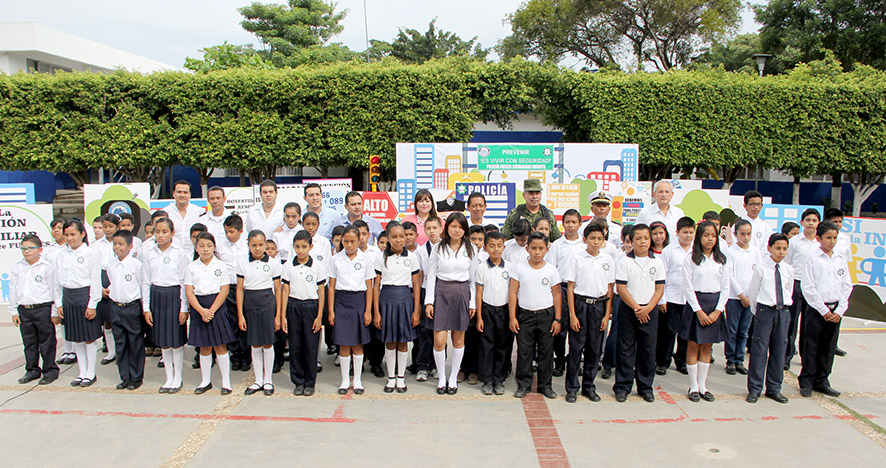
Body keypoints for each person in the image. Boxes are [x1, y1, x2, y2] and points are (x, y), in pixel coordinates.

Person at [425, 213, 477, 395]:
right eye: (453, 226)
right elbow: (431, 275)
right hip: (441, 292)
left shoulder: (471, 249)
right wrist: (429, 302)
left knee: (458, 339)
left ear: (465, 229)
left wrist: (472, 303)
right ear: (446, 228)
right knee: (439, 340)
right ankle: (441, 378)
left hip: (461, 293)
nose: (457, 230)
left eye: (460, 227)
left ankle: (453, 377)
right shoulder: (438, 248)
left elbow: (473, 279)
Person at [798, 221, 851, 398]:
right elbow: (808, 287)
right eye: (828, 238)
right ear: (819, 238)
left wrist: (839, 310)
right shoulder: (812, 259)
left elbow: (846, 286)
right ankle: (807, 380)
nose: (832, 242)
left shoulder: (840, 259)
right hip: (817, 309)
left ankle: (822, 380)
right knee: (812, 345)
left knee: (828, 347)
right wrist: (823, 310)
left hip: (835, 308)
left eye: (835, 238)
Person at [613, 224, 665, 402]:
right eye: (638, 238)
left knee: (648, 349)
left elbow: (659, 288)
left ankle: (645, 386)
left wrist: (648, 308)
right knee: (626, 348)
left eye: (646, 238)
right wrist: (636, 308)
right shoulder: (625, 261)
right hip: (630, 310)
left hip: (650, 310)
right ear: (631, 241)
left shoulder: (657, 262)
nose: (642, 241)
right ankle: (622, 386)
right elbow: (621, 288)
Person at [563, 223, 614, 403]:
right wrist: (572, 315)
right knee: (576, 349)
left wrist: (607, 315)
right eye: (592, 238)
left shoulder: (607, 260)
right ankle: (572, 388)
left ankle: (589, 387)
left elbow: (609, 289)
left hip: (599, 307)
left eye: (599, 239)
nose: (595, 242)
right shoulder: (576, 258)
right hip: (580, 305)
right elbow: (570, 288)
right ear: (584, 239)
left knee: (594, 349)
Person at [680, 220, 730, 402]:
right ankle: (693, 386)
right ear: (699, 237)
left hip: (714, 305)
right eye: (706, 235)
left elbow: (726, 288)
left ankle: (703, 386)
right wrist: (698, 311)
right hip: (696, 306)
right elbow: (688, 287)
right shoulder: (691, 258)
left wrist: (718, 311)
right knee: (693, 345)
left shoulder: (722, 260)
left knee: (707, 347)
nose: (710, 239)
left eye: (713, 235)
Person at [510, 232, 562, 399]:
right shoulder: (519, 268)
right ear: (527, 249)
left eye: (541, 248)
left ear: (547, 249)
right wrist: (512, 317)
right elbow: (512, 293)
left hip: (546, 316)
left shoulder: (551, 270)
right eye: (533, 248)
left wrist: (557, 319)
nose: (537, 252)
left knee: (546, 352)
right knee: (524, 352)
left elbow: (557, 295)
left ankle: (545, 385)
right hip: (525, 315)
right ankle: (523, 385)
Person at [141, 218, 190, 393]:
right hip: (157, 296)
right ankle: (168, 377)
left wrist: (184, 307)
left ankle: (178, 377)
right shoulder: (149, 253)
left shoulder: (179, 253)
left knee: (175, 340)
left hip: (173, 296)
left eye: (164, 232)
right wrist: (146, 307)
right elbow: (146, 281)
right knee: (163, 341)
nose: (160, 235)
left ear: (172, 233)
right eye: (157, 232)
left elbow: (184, 282)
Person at [373, 222, 421, 393]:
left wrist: (416, 310)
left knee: (403, 341)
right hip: (386, 300)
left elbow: (416, 285)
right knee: (390, 341)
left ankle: (401, 377)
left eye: (402, 236)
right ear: (388, 238)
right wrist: (376, 312)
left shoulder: (412, 257)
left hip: (405, 300)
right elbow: (376, 285)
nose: (399, 240)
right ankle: (390, 377)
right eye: (394, 236)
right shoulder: (380, 257)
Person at [746, 233, 794, 404]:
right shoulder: (761, 268)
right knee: (759, 350)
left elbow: (789, 290)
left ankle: (774, 388)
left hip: (783, 311)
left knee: (779, 350)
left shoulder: (789, 269)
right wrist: (759, 312)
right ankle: (755, 388)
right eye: (778, 248)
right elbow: (753, 293)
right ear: (769, 248)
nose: (781, 252)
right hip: (765, 310)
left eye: (784, 249)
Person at [185, 232, 235, 395]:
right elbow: (189, 291)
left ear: (214, 247)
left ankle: (226, 382)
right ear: (196, 248)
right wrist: (201, 310)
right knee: (204, 347)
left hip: (217, 308)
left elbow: (224, 290)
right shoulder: (191, 267)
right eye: (201, 246)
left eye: (209, 246)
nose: (205, 249)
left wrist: (212, 310)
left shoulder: (220, 266)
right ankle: (205, 381)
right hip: (199, 308)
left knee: (220, 346)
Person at [55, 219, 103, 387]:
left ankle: (91, 372)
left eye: (73, 234)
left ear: (82, 234)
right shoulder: (61, 254)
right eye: (66, 235)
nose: (69, 238)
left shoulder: (90, 254)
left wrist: (92, 304)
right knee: (76, 338)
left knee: (89, 338)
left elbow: (95, 280)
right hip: (68, 297)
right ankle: (81, 371)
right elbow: (57, 282)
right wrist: (58, 304)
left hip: (84, 296)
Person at [328, 225, 375, 395]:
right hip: (341, 302)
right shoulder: (335, 259)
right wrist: (331, 311)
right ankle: (344, 380)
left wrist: (368, 310)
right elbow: (331, 287)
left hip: (359, 302)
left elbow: (370, 287)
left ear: (359, 240)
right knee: (343, 344)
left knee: (357, 344)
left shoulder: (365, 259)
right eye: (345, 241)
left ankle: (357, 380)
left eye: (352, 241)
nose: (348, 245)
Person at [237, 230, 282, 396]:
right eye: (253, 245)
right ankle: (258, 380)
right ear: (248, 245)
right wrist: (241, 314)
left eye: (260, 245)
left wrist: (278, 315)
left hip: (267, 304)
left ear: (265, 245)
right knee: (255, 343)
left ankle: (268, 380)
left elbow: (278, 289)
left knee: (268, 343)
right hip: (250, 304)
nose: (257, 248)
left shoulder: (274, 263)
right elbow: (240, 289)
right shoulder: (242, 262)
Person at [281, 230, 326, 396]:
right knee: (296, 345)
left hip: (311, 307)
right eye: (297, 247)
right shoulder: (288, 266)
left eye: (304, 247)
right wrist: (283, 315)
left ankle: (310, 381)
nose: (300, 250)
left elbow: (321, 292)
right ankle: (298, 381)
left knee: (311, 346)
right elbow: (285, 290)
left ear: (311, 246)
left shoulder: (317, 267)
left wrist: (319, 315)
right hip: (293, 306)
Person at [11, 234, 60, 385]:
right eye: (23, 248)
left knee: (47, 341)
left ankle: (50, 370)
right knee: (29, 342)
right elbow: (13, 289)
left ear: (40, 249)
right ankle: (32, 370)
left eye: (30, 248)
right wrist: (14, 311)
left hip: (42, 308)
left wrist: (54, 311)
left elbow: (54, 290)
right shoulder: (18, 266)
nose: (26, 252)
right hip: (24, 309)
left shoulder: (47, 267)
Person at [106, 230, 145, 390]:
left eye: (121, 244)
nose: (117, 247)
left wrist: (143, 309)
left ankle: (136, 377)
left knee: (135, 342)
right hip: (116, 307)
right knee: (120, 343)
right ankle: (125, 376)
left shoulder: (136, 265)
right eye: (115, 244)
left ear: (130, 246)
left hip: (132, 307)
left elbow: (142, 286)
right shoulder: (111, 264)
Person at [656, 217, 695, 376]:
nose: (688, 236)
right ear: (677, 232)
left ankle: (682, 361)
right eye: (684, 232)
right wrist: (662, 299)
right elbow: (662, 275)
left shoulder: (696, 250)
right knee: (668, 332)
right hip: (672, 297)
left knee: (685, 332)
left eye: (691, 232)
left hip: (689, 298)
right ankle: (663, 362)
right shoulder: (669, 251)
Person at [475, 230, 512, 396]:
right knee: (486, 346)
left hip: (504, 310)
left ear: (504, 247)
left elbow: (513, 293)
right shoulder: (482, 268)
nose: (496, 249)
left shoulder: (510, 268)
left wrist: (512, 316)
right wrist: (479, 317)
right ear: (485, 248)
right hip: (487, 310)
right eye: (491, 246)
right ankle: (487, 380)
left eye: (499, 246)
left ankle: (499, 379)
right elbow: (479, 293)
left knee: (503, 346)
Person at [724, 219, 762, 376]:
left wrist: (751, 295)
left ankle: (740, 359)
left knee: (744, 330)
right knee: (732, 329)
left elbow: (759, 274)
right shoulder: (731, 251)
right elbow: (729, 275)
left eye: (748, 234)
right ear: (735, 234)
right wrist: (740, 294)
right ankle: (730, 360)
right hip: (734, 297)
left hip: (750, 297)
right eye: (742, 234)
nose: (746, 237)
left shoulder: (755, 251)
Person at [784, 208, 820, 369]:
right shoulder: (794, 242)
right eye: (808, 220)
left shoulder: (820, 243)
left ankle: (807, 358)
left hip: (813, 286)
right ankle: (786, 355)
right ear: (802, 222)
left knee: (809, 324)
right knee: (791, 323)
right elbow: (787, 263)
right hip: (796, 284)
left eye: (814, 220)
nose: (811, 223)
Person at [217, 214, 250, 372]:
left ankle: (246, 356)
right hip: (228, 288)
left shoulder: (247, 246)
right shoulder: (220, 246)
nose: (228, 235)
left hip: (245, 288)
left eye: (232, 232)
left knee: (245, 322)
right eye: (226, 232)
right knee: (231, 323)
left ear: (241, 231)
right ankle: (235, 355)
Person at [823, 208, 850, 358]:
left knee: (836, 317)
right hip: (823, 283)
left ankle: (834, 344)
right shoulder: (820, 240)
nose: (838, 224)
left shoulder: (845, 239)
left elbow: (847, 260)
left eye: (840, 222)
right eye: (835, 222)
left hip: (838, 280)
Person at [95, 214, 118, 366]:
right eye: (105, 226)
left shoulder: (121, 242)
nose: (108, 229)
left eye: (111, 226)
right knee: (107, 320)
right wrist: (100, 288)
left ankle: (121, 349)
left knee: (119, 319)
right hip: (102, 279)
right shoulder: (96, 245)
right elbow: (93, 269)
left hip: (117, 278)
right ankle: (111, 351)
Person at [164, 180, 205, 246]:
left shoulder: (199, 212)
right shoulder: (166, 213)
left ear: (190, 194)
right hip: (172, 253)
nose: (182, 195)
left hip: (193, 253)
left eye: (185, 192)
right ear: (173, 194)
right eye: (179, 192)